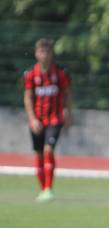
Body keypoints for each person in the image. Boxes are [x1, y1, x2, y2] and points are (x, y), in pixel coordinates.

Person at [23, 38, 72, 202]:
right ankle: (42, 188)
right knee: (38, 153)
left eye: (47, 51)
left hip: (54, 118)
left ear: (52, 54)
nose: (44, 55)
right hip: (37, 120)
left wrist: (67, 112)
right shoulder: (30, 74)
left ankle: (48, 189)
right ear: (36, 54)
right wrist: (32, 118)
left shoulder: (60, 73)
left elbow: (67, 94)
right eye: (41, 51)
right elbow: (28, 98)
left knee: (48, 150)